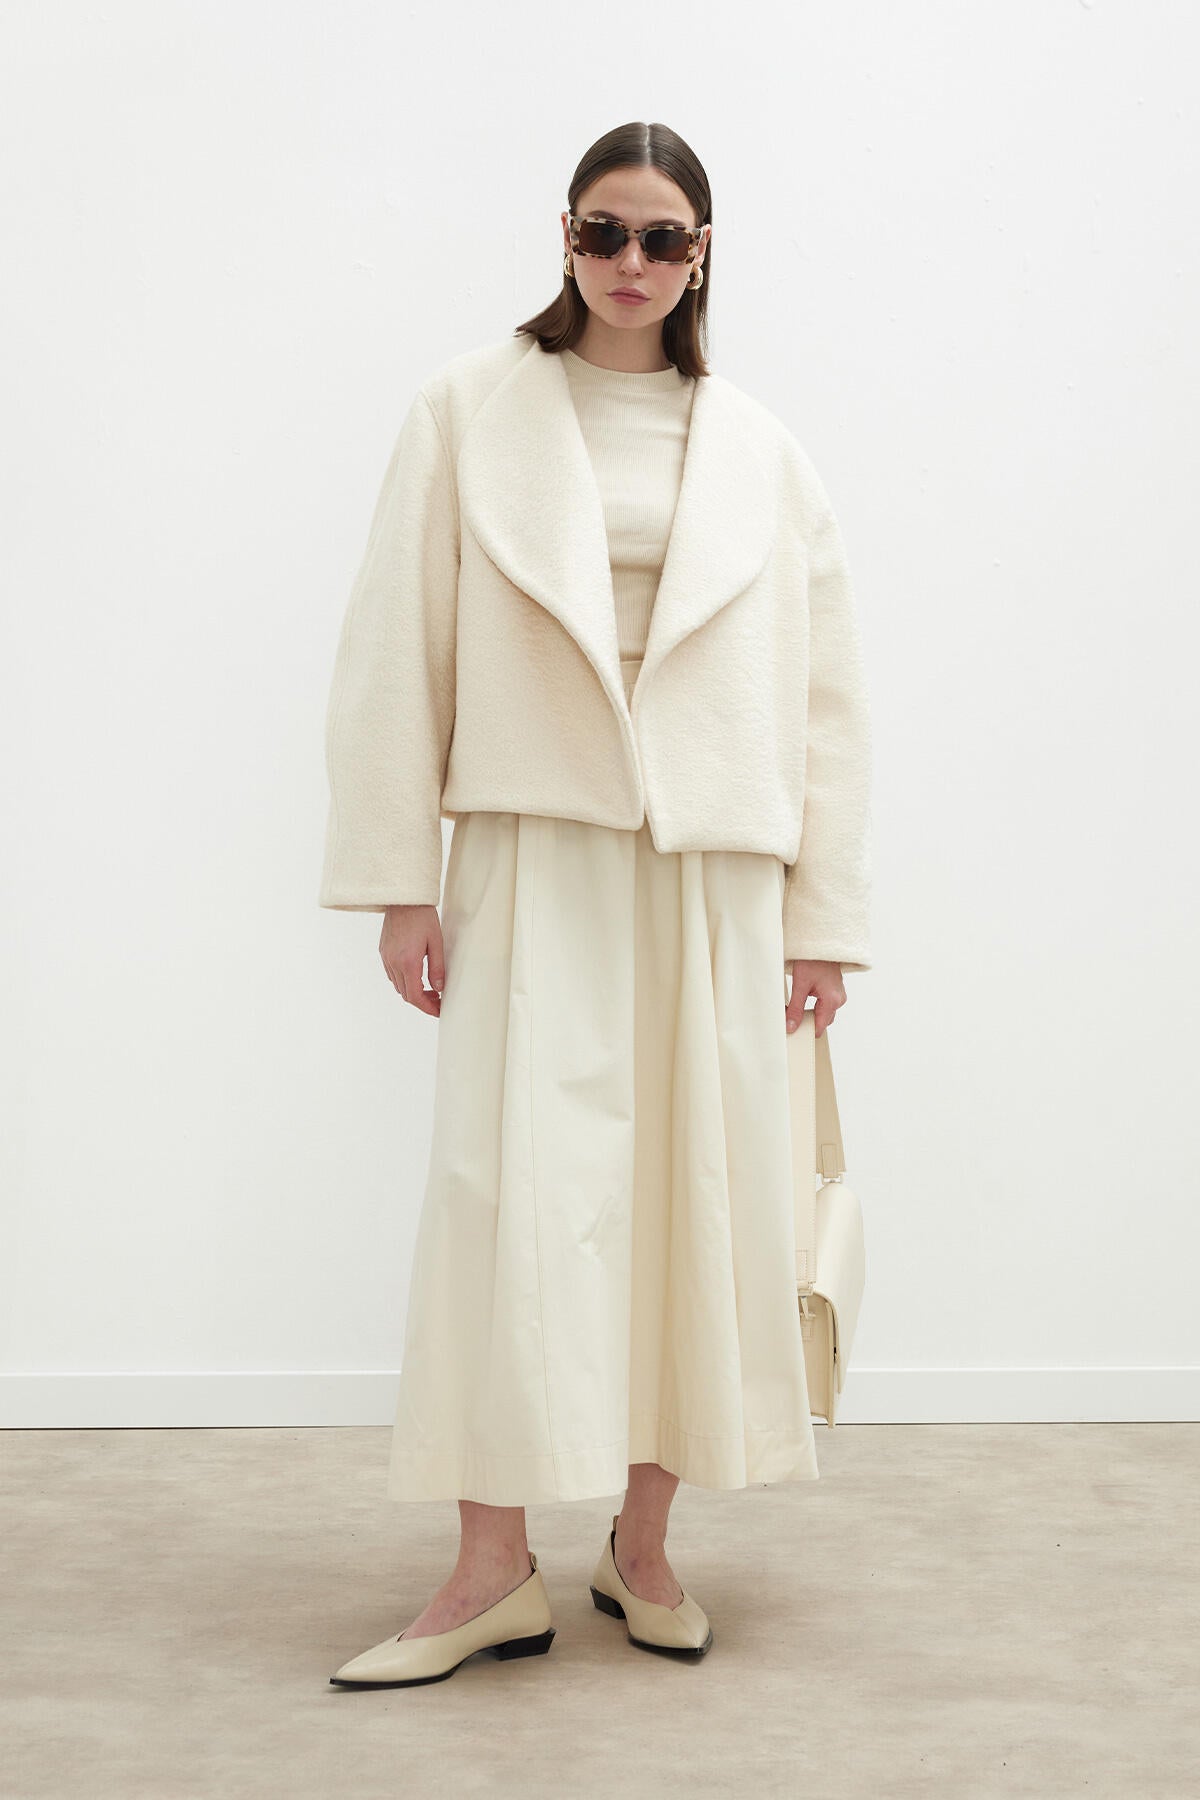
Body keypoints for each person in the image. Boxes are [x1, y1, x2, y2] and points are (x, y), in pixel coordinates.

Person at [319, 120, 873, 1688]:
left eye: (664, 238)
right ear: (564, 237)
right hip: (532, 842)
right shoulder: (468, 410)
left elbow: (828, 700)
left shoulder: (759, 449)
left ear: (703, 256)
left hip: (712, 864)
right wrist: (397, 883)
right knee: (507, 1195)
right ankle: (489, 1566)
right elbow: (394, 646)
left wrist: (825, 917)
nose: (632, 263)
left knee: (695, 1194)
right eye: (604, 232)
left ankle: (643, 1545)